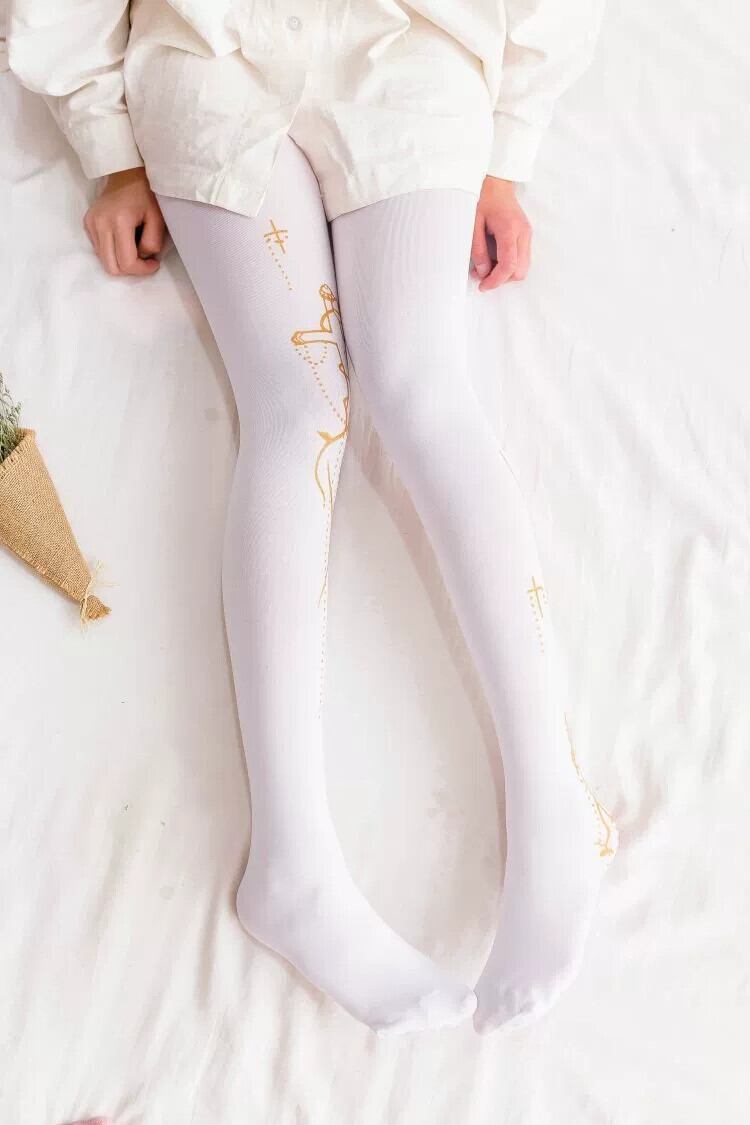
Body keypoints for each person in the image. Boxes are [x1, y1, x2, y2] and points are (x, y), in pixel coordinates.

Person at [8, 0, 618, 1041]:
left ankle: (554, 798)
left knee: (419, 382)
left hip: (411, 40)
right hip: (208, 52)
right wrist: (109, 150)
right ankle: (291, 857)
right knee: (298, 408)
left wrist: (508, 149)